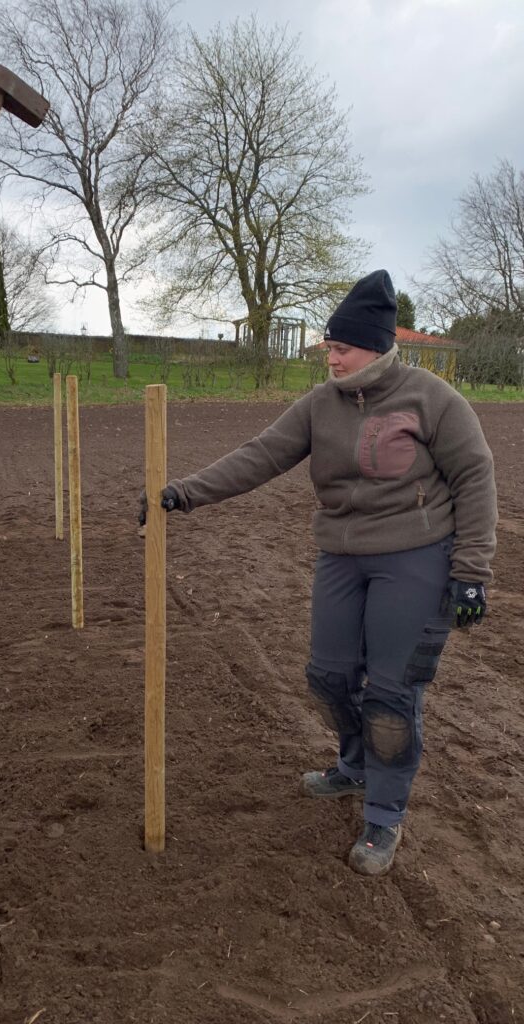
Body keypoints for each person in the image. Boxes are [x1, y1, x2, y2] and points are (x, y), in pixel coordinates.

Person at [140, 270, 497, 876]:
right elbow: (261, 456)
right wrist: (182, 494)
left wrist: (471, 572)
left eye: (340, 348)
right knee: (328, 676)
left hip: (416, 557)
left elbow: (475, 477)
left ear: (376, 347)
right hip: (342, 556)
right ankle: (355, 766)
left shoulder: (432, 399)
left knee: (390, 694)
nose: (329, 358)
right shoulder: (319, 406)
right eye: (328, 348)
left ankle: (384, 814)